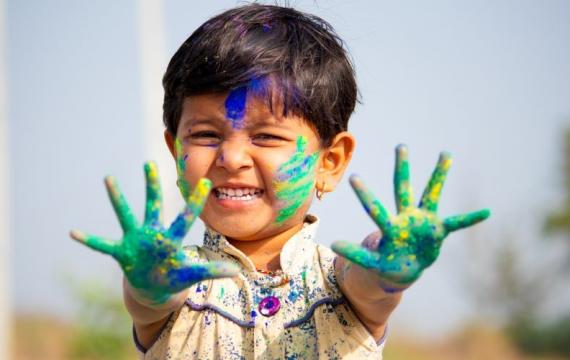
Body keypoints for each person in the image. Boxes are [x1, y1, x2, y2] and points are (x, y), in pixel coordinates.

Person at [70, 4, 490, 359]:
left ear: (330, 161)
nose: (231, 158)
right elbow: (148, 300)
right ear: (175, 150)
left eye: (266, 136)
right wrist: (147, 283)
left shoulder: (340, 279)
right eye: (205, 135)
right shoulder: (179, 278)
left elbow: (372, 287)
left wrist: (392, 264)